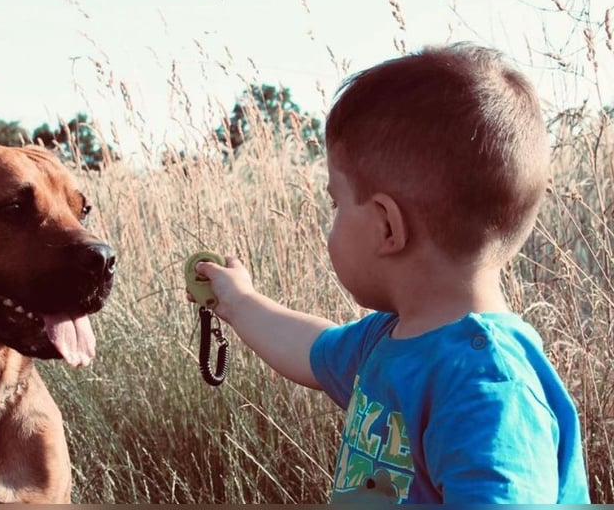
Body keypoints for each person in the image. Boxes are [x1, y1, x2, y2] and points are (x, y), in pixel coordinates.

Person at [192, 43, 590, 503]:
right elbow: (310, 349)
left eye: (337, 203)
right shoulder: (389, 339)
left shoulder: (489, 390)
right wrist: (239, 303)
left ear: (386, 226)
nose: (332, 220)